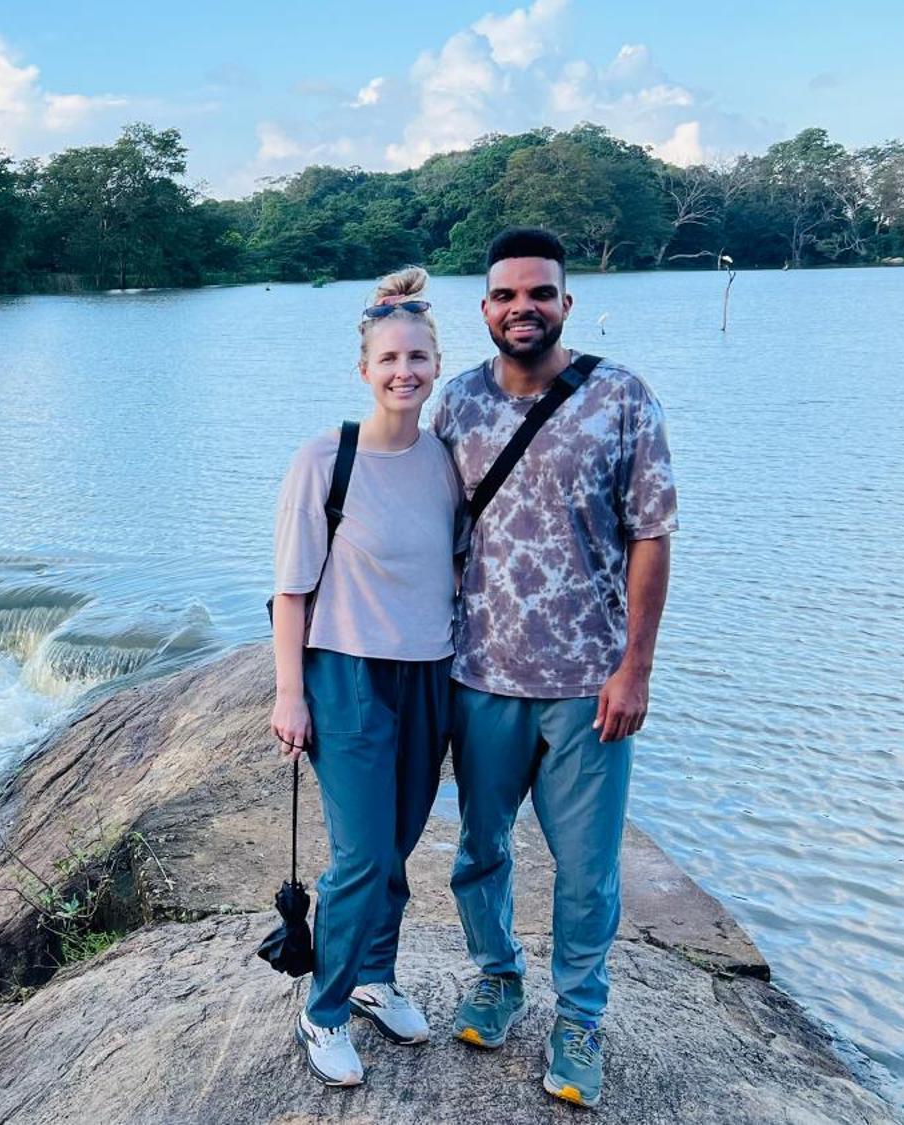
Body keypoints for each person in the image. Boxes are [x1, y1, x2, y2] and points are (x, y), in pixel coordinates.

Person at [431, 228, 677, 1109]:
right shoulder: (455, 405)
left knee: (587, 869)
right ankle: (497, 976)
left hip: (586, 685)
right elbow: (423, 530)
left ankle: (579, 1017)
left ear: (566, 303)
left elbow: (652, 534)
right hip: (480, 676)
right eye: (505, 295)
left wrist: (634, 668)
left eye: (540, 293)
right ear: (485, 309)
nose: (522, 308)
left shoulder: (621, 397)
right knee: (480, 850)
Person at [269, 267, 460, 1088]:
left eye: (417, 355)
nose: (403, 371)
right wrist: (289, 692)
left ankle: (376, 973)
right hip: (345, 674)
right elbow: (290, 586)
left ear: (436, 363)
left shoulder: (446, 460)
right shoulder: (324, 458)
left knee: (398, 846)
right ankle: (326, 1008)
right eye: (388, 358)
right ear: (364, 369)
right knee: (358, 857)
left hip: (431, 674)